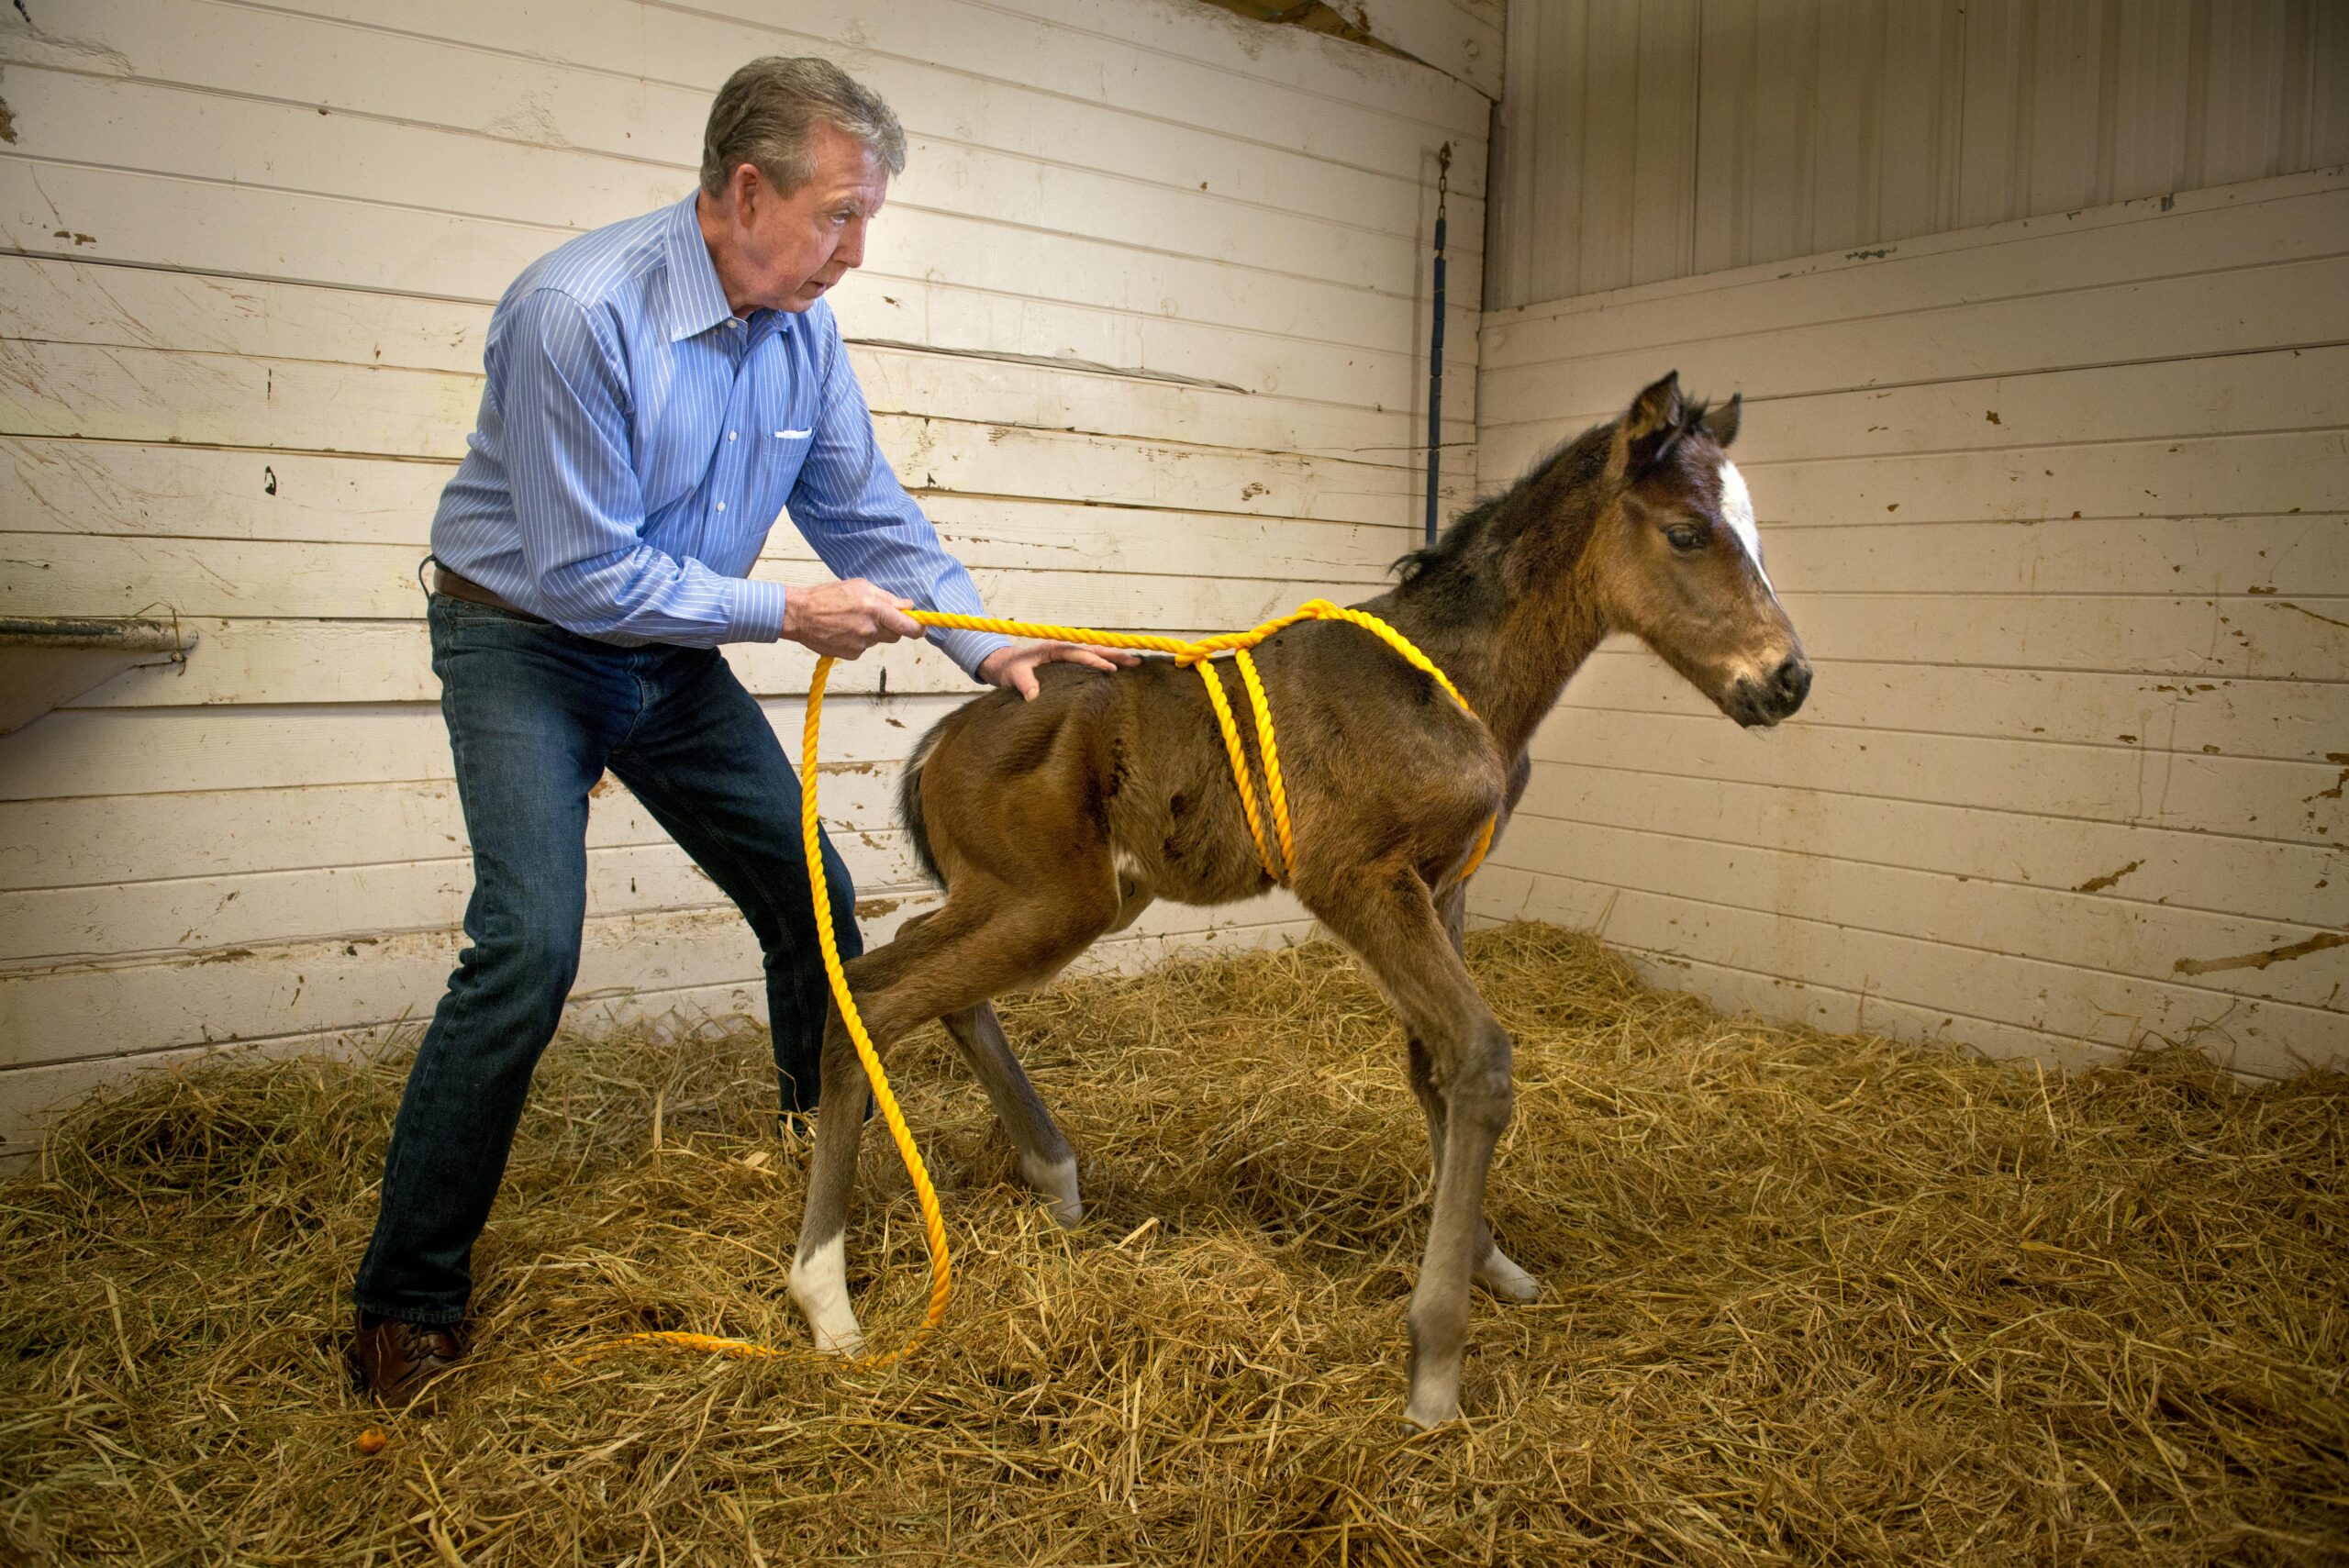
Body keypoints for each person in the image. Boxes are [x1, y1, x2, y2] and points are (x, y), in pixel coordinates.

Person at [348, 56, 1132, 1405]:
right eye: (840, 214)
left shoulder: (801, 331)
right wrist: (782, 612)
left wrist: (991, 644)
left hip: (667, 650)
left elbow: (869, 517)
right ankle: (404, 1299)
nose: (857, 249)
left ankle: (804, 1130)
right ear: (747, 189)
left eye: (867, 218)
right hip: (525, 641)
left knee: (809, 890)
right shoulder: (577, 314)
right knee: (530, 945)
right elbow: (587, 572)